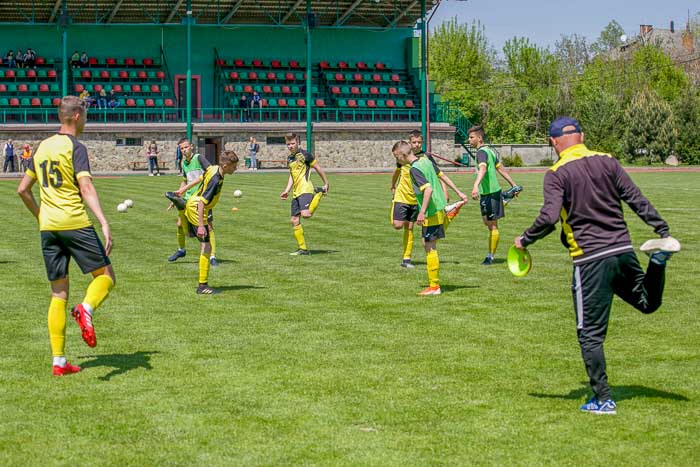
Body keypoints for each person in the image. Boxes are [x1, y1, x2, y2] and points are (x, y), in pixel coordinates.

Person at [514, 116, 681, 415]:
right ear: (582, 135)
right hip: (622, 250)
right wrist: (661, 230)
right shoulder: (608, 160)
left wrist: (525, 240)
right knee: (647, 303)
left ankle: (603, 398)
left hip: (590, 260)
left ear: (554, 143)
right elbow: (634, 197)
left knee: (589, 333)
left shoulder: (556, 173)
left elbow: (550, 217)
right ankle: (657, 260)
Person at [16, 95, 116, 376]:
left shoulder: (42, 147)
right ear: (75, 116)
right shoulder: (75, 147)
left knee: (58, 294)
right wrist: (104, 222)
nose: (86, 121)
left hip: (48, 228)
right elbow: (85, 188)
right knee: (106, 277)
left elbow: (23, 189)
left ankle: (59, 361)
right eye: (84, 115)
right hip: (75, 222)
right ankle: (85, 308)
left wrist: (41, 216)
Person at [392, 140, 447, 295]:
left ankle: (434, 286)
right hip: (438, 207)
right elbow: (439, 176)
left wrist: (421, 212)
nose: (397, 160)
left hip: (430, 211)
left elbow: (428, 189)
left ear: (402, 155)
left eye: (396, 157)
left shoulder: (414, 169)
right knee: (427, 243)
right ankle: (434, 284)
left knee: (429, 246)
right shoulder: (425, 160)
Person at [182, 150, 239, 294]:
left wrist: (184, 189)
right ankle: (202, 286)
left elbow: (201, 177)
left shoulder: (212, 168)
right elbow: (202, 203)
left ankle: (186, 222)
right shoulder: (215, 179)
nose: (235, 169)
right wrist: (201, 225)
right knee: (206, 247)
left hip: (193, 204)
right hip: (197, 208)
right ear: (225, 165)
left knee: (201, 242)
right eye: (234, 166)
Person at [468, 125, 521, 265]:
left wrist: (475, 185)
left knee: (493, 226)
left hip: (491, 193)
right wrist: (513, 185)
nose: (469, 140)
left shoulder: (481, 153)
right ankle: (503, 199)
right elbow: (500, 169)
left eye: (471, 137)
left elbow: (483, 169)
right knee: (486, 222)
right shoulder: (489, 151)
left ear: (479, 138)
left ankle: (490, 256)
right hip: (487, 194)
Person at [166, 138, 220, 267]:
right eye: (182, 148)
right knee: (179, 224)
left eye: (186, 147)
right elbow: (185, 181)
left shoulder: (199, 158)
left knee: (209, 226)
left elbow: (210, 173)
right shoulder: (183, 163)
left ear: (191, 146)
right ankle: (181, 250)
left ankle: (212, 256)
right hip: (188, 198)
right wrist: (178, 195)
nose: (184, 150)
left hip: (202, 197)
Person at [280, 133, 329, 255]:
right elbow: (292, 175)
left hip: (306, 189)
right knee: (294, 220)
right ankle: (303, 249)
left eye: (292, 143)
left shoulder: (305, 155)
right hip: (296, 192)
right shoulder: (290, 158)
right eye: (288, 144)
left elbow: (317, 167)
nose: (290, 146)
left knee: (306, 215)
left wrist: (326, 183)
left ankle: (319, 193)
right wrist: (287, 190)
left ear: (298, 142)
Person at [408, 130, 468, 213]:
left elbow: (439, 174)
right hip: (409, 196)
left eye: (419, 142)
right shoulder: (406, 157)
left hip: (426, 194)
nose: (417, 145)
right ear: (409, 143)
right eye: (414, 142)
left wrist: (445, 191)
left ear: (422, 142)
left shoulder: (426, 156)